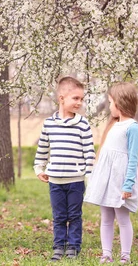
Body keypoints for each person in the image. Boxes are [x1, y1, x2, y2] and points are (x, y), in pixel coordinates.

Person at [34, 76, 95, 261]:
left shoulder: (83, 124)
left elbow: (89, 152)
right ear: (62, 98)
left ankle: (73, 247)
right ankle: (59, 246)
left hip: (76, 180)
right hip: (55, 181)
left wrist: (89, 176)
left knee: (75, 215)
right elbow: (43, 148)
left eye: (81, 99)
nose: (79, 102)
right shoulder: (49, 124)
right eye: (75, 98)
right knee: (59, 216)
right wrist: (39, 168)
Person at [84, 82, 138, 264]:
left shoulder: (132, 127)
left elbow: (133, 159)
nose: (109, 107)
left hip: (120, 180)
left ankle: (125, 255)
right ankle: (106, 254)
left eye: (111, 102)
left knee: (122, 218)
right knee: (106, 217)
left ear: (120, 103)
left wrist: (128, 185)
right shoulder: (113, 125)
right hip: (107, 180)